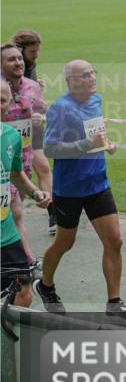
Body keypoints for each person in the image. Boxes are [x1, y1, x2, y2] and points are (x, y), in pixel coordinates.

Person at [34, 60, 126, 320]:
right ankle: (45, 286)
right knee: (64, 243)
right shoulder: (61, 108)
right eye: (85, 75)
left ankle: (114, 302)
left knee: (115, 241)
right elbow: (50, 149)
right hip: (69, 189)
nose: (92, 78)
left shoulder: (95, 100)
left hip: (98, 184)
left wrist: (107, 144)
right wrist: (85, 144)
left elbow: (96, 135)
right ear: (71, 81)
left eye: (93, 73)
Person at [1, 81, 51, 308]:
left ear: (8, 103)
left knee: (24, 292)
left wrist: (35, 192)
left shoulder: (11, 136)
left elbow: (15, 173)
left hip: (6, 232)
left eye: (2, 100)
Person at [1, 44, 45, 262]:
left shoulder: (32, 86)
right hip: (3, 158)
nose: (18, 62)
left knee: (14, 211)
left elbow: (41, 109)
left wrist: (40, 119)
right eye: (11, 59)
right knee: (14, 211)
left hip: (22, 156)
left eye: (19, 58)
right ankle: (26, 261)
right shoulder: (0, 88)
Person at [10, 30, 55, 235]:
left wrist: (39, 99)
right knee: (16, 177)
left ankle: (54, 214)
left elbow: (32, 96)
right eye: (32, 52)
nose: (35, 56)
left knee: (43, 167)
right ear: (20, 49)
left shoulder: (30, 65)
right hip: (11, 128)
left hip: (31, 126)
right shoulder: (7, 69)